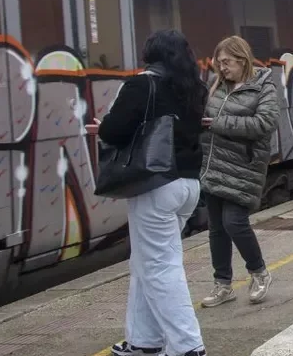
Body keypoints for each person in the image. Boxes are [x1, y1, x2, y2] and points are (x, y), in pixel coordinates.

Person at [97, 30, 207, 356]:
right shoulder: (193, 88)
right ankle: (144, 342)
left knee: (160, 266)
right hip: (188, 185)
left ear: (151, 53)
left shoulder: (141, 85)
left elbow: (112, 131)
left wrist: (102, 124)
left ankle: (188, 347)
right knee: (145, 263)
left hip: (155, 185)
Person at [199, 36, 280, 308]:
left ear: (242, 60)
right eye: (219, 63)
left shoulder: (263, 86)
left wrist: (219, 123)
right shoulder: (217, 86)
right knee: (216, 228)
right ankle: (223, 284)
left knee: (234, 222)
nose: (222, 68)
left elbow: (265, 123)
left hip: (243, 167)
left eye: (227, 62)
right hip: (214, 165)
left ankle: (259, 272)